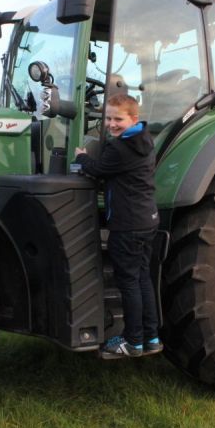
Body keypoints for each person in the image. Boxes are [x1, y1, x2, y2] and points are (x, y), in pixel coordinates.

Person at [74, 94, 162, 359]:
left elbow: (98, 169)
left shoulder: (121, 148)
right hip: (147, 221)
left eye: (118, 119)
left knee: (129, 283)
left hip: (128, 226)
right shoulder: (143, 142)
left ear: (133, 119)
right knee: (143, 279)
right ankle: (152, 336)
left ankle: (133, 341)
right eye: (108, 118)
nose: (112, 124)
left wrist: (81, 157)